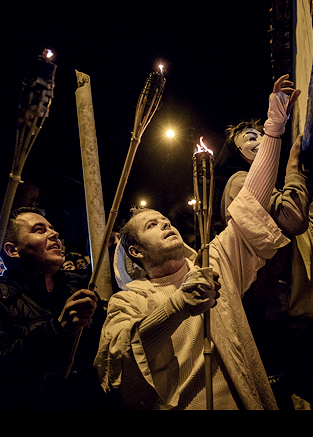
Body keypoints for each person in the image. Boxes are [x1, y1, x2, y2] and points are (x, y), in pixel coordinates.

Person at [94, 75, 302, 409]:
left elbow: (253, 201)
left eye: (165, 220)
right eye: (152, 225)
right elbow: (118, 360)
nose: (166, 224)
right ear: (136, 250)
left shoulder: (212, 261)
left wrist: (274, 127)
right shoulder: (129, 301)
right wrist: (178, 305)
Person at [215, 118, 313, 410]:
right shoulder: (241, 183)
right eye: (250, 137)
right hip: (273, 325)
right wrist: (293, 167)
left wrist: (307, 182)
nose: (259, 141)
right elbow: (293, 219)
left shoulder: (277, 191)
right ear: (236, 152)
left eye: (260, 135)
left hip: (294, 325)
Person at [0, 206, 108, 409]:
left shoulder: (80, 284)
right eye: (39, 230)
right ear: (12, 250)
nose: (55, 234)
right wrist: (57, 330)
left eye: (52, 228)